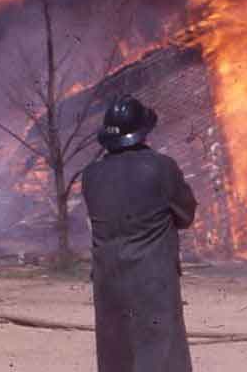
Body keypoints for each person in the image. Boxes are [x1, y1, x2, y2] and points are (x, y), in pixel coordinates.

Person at [79, 95, 198, 372]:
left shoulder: (90, 174)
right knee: (161, 356)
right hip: (152, 282)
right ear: (143, 132)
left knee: (116, 356)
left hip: (107, 281)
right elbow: (186, 215)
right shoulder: (161, 167)